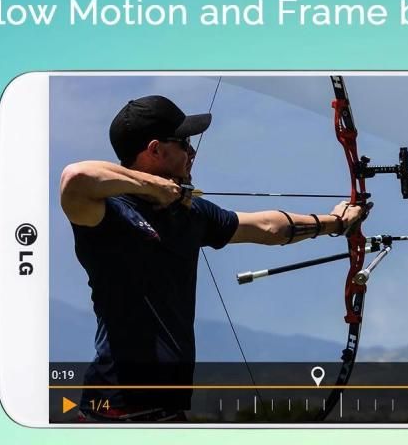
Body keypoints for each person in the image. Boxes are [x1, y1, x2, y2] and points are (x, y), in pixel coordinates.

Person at [60, 95, 366, 421]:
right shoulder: (110, 213)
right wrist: (154, 187)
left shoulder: (189, 213)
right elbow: (75, 177)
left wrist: (336, 223)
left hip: (166, 412)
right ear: (155, 150)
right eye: (184, 143)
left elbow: (267, 227)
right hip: (112, 411)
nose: (192, 153)